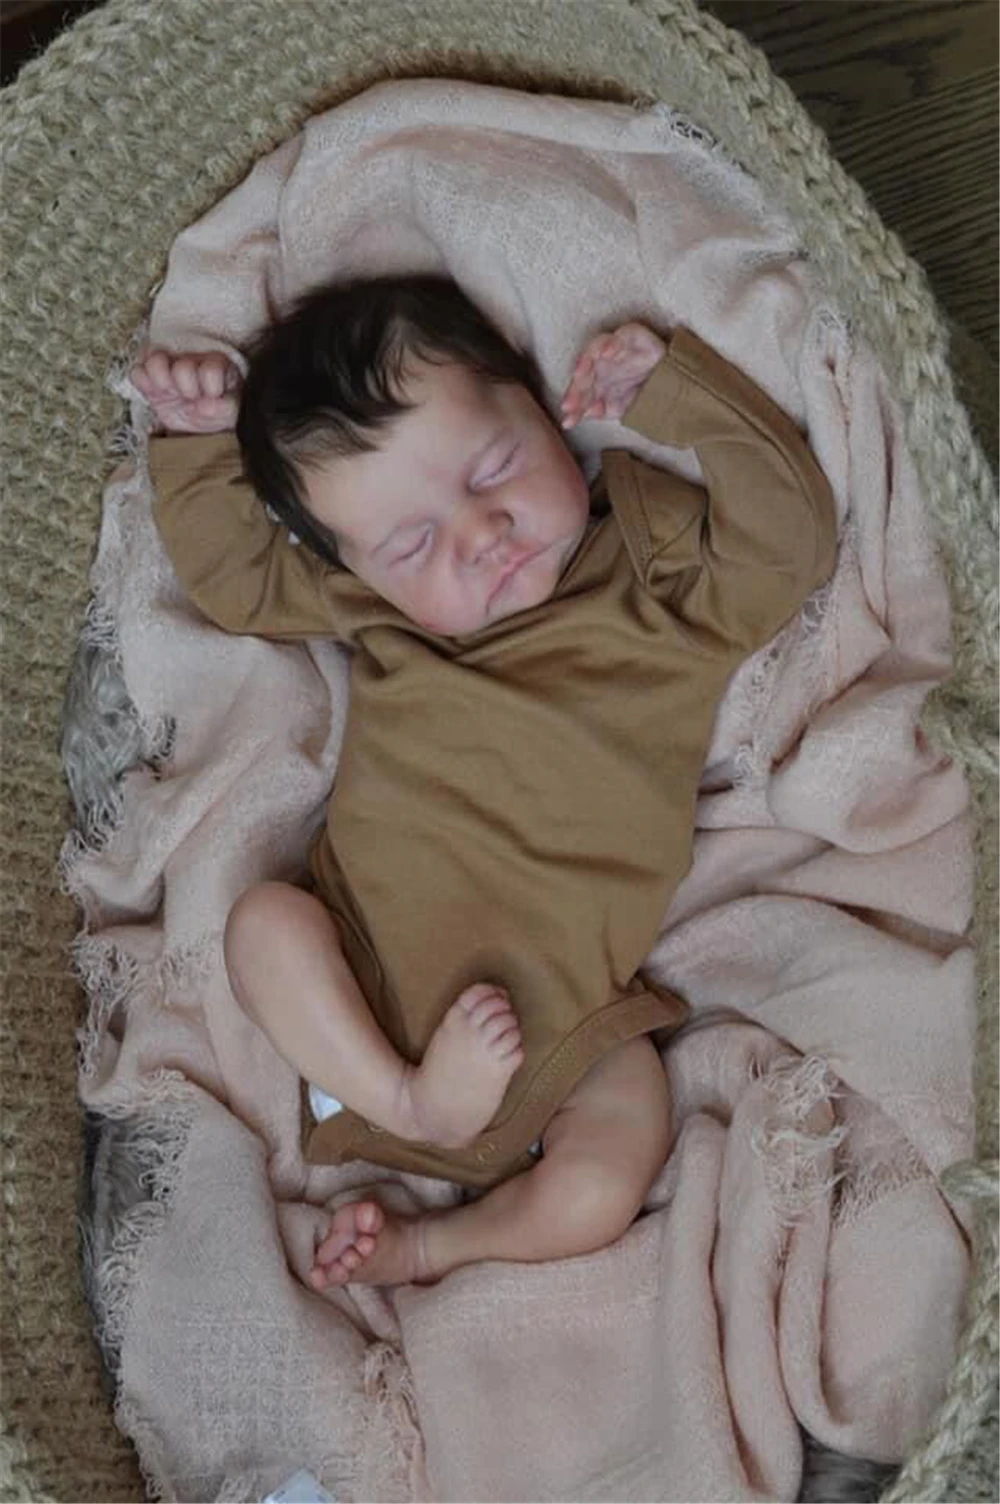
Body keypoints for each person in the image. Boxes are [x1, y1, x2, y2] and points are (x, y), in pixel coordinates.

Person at [133, 274, 837, 1289]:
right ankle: (409, 1103)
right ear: (363, 570)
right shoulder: (384, 612)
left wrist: (672, 396)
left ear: (537, 402)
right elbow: (241, 581)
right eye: (414, 543)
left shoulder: (658, 575)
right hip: (361, 995)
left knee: (611, 1166)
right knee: (264, 925)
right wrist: (198, 439)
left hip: (566, 1038)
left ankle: (433, 1244)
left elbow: (790, 542)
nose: (479, 534)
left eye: (495, 466)